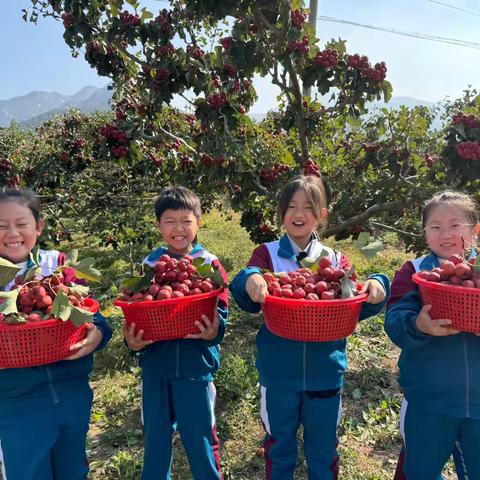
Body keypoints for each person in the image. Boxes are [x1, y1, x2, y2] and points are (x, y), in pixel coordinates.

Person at [230, 175, 390, 479]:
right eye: (291, 207)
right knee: (279, 447)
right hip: (279, 375)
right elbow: (247, 287)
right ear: (281, 213)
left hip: (325, 374)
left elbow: (354, 298)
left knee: (324, 450)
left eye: (308, 206)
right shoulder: (268, 255)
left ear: (322, 214)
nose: (299, 214)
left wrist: (378, 285)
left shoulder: (333, 259)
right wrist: (250, 280)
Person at [0, 187, 112, 480]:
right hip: (15, 405)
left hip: (70, 396)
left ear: (38, 227)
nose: (12, 233)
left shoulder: (57, 266)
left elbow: (90, 314)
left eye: (21, 224)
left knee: (73, 471)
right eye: (1, 226)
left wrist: (98, 333)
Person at [124, 186, 228, 480]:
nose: (178, 229)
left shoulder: (208, 263)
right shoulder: (149, 266)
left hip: (196, 370)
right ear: (159, 225)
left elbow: (221, 309)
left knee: (202, 441)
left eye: (186, 220)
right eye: (170, 221)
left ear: (199, 222)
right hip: (156, 370)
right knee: (155, 442)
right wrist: (132, 342)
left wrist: (215, 330)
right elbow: (135, 309)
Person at [385, 190, 480, 480]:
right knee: (419, 471)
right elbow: (395, 319)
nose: (446, 234)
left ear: (475, 230)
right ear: (425, 233)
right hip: (427, 401)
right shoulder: (415, 272)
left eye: (455, 225)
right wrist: (419, 325)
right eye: (435, 227)